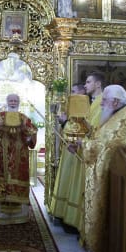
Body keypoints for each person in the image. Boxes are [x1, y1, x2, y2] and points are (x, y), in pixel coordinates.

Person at [79, 85, 126, 252]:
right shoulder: (117, 116)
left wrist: (84, 145)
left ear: (114, 101)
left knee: (107, 223)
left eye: (104, 100)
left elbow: (101, 147)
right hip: (107, 176)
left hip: (113, 180)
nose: (101, 103)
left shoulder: (121, 120)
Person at [0, 93, 37, 224]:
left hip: (19, 157)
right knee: (2, 180)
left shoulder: (23, 118)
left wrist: (29, 132)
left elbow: (32, 132)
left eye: (15, 101)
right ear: (7, 102)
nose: (13, 103)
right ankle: (0, 214)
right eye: (11, 101)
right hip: (2, 155)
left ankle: (19, 215)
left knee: (17, 179)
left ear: (18, 103)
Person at [49, 83, 87, 232]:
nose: (71, 94)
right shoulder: (72, 105)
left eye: (73, 91)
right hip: (70, 150)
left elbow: (82, 128)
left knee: (75, 182)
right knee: (67, 178)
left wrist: (65, 122)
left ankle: (72, 218)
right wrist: (63, 121)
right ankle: (64, 213)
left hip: (79, 150)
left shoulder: (84, 106)